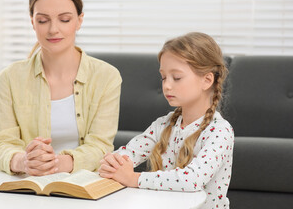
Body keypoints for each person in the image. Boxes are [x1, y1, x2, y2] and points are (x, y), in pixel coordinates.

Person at [0, 0, 122, 176]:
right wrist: (23, 162)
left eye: (64, 19)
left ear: (79, 20)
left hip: (83, 185)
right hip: (28, 183)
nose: (53, 29)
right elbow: (0, 144)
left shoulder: (106, 77)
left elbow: (100, 146)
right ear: (33, 22)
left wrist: (56, 163)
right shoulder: (10, 78)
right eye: (43, 20)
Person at [99, 32, 234, 209]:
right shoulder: (163, 124)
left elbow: (192, 179)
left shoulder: (220, 131)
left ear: (207, 80)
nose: (167, 85)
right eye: (163, 77)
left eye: (176, 78)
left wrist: (134, 178)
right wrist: (113, 163)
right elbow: (129, 153)